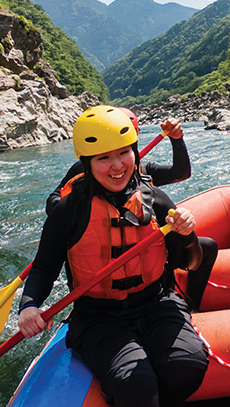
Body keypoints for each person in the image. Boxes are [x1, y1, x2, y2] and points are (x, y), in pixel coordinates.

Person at [18, 106, 209, 407]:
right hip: (99, 317)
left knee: (187, 367)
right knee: (137, 389)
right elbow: (43, 268)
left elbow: (193, 262)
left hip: (156, 303)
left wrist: (188, 236)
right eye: (103, 158)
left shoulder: (154, 199)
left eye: (124, 153)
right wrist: (28, 307)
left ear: (135, 151)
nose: (117, 165)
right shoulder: (69, 211)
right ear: (88, 163)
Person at [46, 107, 190, 215]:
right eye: (104, 157)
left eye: (124, 150)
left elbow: (181, 173)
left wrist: (177, 139)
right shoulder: (84, 169)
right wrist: (71, 210)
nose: (117, 165)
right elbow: (53, 200)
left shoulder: (144, 172)